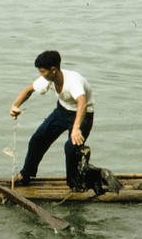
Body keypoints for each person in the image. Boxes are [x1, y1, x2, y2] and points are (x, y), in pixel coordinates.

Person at [8, 50, 94, 186]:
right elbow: (29, 90)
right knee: (37, 139)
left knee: (71, 147)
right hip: (62, 111)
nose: (40, 75)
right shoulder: (48, 79)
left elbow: (82, 103)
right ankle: (26, 174)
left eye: (42, 71)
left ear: (53, 70)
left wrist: (76, 128)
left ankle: (74, 182)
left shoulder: (73, 80)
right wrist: (15, 105)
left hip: (83, 114)